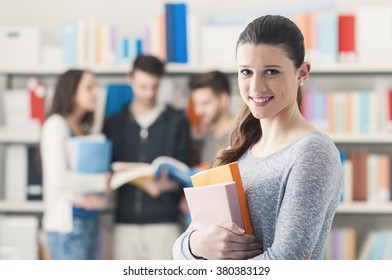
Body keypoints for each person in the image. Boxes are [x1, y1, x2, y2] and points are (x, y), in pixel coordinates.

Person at [173, 15, 343, 260]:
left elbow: (285, 262)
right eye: (246, 72)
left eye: (271, 72)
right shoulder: (240, 147)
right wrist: (196, 244)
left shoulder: (312, 152)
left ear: (302, 73)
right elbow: (180, 250)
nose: (255, 87)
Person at [103, 54, 191, 260]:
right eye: (142, 86)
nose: (149, 93)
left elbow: (186, 174)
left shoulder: (177, 121)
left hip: (165, 223)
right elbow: (109, 170)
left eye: (154, 86)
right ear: (130, 79)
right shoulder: (114, 123)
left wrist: (161, 186)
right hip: (124, 223)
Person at [40, 69, 110, 259]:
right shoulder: (56, 125)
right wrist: (102, 182)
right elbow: (59, 179)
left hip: (89, 223)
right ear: (71, 91)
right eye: (89, 88)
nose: (96, 92)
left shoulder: (83, 129)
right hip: (67, 228)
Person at [188, 70, 235, 167]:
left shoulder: (239, 136)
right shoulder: (209, 135)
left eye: (205, 103)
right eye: (196, 104)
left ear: (223, 99)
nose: (198, 111)